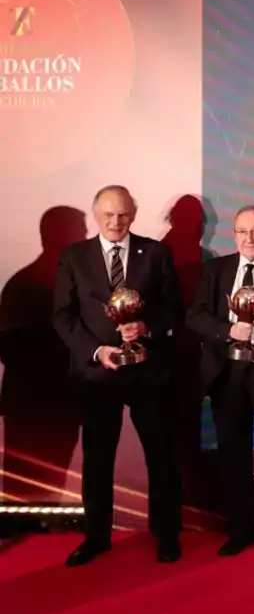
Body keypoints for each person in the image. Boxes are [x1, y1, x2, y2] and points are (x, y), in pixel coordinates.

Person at [52, 185, 184, 566]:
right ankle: (96, 537)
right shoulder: (74, 257)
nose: (116, 222)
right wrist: (98, 351)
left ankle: (167, 536)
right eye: (108, 214)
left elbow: (175, 310)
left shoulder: (156, 253)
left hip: (149, 373)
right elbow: (63, 316)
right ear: (95, 214)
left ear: (134, 214)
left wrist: (146, 329)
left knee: (161, 456)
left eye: (123, 214)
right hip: (97, 375)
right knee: (97, 460)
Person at [186, 204, 254, 557]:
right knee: (233, 454)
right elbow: (195, 316)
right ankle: (241, 529)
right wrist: (226, 331)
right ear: (233, 235)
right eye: (242, 231)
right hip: (227, 375)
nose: (250, 238)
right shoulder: (216, 270)